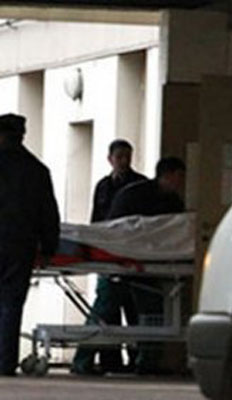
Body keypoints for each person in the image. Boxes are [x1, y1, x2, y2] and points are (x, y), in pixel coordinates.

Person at [72, 139, 147, 375]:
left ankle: (136, 359)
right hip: (107, 252)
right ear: (110, 159)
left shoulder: (140, 186)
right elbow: (96, 218)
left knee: (132, 309)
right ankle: (110, 360)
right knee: (109, 312)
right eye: (119, 157)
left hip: (130, 252)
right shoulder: (103, 186)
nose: (123, 161)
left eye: (127, 156)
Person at [108, 157, 186, 374]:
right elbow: (116, 228)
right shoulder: (134, 195)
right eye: (179, 177)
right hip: (120, 259)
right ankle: (85, 361)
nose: (181, 182)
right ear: (168, 175)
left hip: (149, 262)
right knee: (107, 309)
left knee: (149, 313)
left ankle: (147, 362)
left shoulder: (172, 201)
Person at [0, 113, 60, 376]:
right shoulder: (37, 170)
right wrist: (48, 248)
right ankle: (4, 362)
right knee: (11, 304)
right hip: (20, 245)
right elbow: (48, 213)